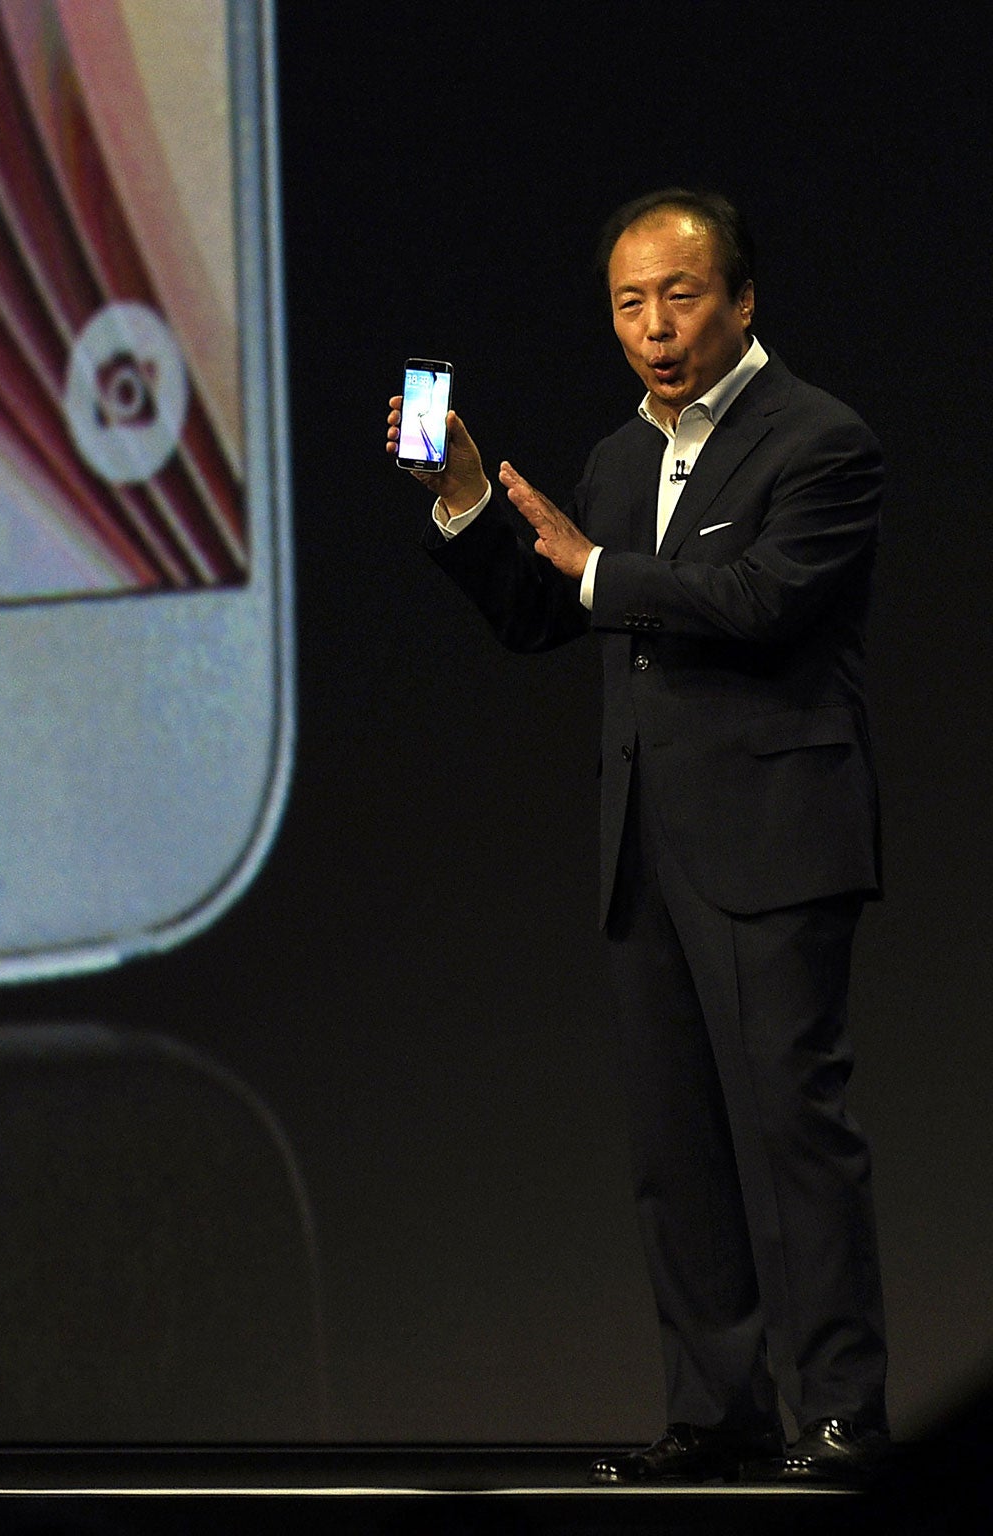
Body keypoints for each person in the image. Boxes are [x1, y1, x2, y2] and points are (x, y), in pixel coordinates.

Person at [385, 188, 888, 1486]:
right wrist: (461, 503)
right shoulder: (620, 457)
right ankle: (719, 1416)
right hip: (645, 848)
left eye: (678, 297)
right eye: (628, 305)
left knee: (793, 1131)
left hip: (773, 842)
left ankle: (843, 1415)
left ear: (740, 298)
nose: (654, 328)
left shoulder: (820, 440)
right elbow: (544, 613)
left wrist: (596, 566)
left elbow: (763, 600)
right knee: (678, 1149)